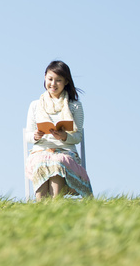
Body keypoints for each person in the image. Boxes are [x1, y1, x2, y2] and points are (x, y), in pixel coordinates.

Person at [24, 60, 93, 200]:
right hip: (41, 150)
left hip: (65, 152)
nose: (53, 84)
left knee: (58, 162)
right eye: (50, 79)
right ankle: (41, 208)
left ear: (66, 82)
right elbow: (28, 135)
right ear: (45, 78)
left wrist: (64, 136)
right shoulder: (35, 105)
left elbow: (78, 136)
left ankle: (56, 205)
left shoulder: (75, 106)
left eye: (58, 80)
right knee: (40, 162)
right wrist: (36, 136)